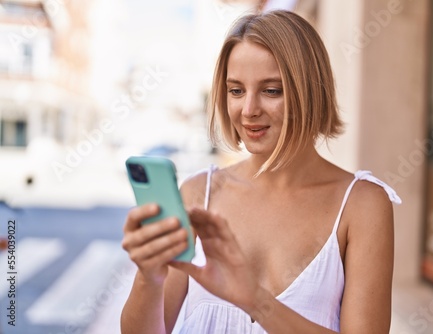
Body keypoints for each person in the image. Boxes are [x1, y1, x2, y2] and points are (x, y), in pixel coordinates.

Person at [120, 10, 401, 334]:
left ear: (309, 91)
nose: (249, 110)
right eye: (236, 90)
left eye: (271, 90)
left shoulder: (362, 205)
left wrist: (256, 301)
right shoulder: (199, 194)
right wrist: (148, 277)